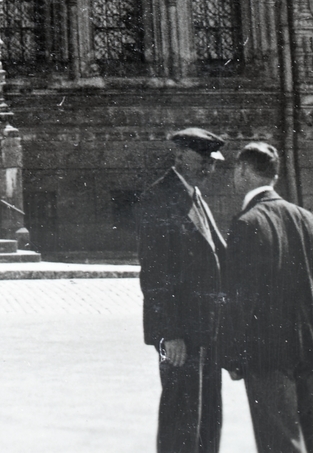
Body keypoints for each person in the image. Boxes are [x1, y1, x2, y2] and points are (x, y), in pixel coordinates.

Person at [221, 140, 313, 453]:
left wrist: (231, 355)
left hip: (267, 353)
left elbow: (240, 298)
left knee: (279, 442)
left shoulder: (247, 223)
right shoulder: (306, 219)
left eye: (236, 168)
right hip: (309, 347)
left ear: (245, 171)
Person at [139, 127, 228, 453]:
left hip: (206, 328)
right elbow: (154, 274)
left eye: (212, 160)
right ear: (180, 156)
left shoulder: (195, 195)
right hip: (180, 334)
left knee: (206, 414)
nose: (209, 167)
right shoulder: (160, 197)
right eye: (202, 159)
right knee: (182, 414)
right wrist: (170, 333)